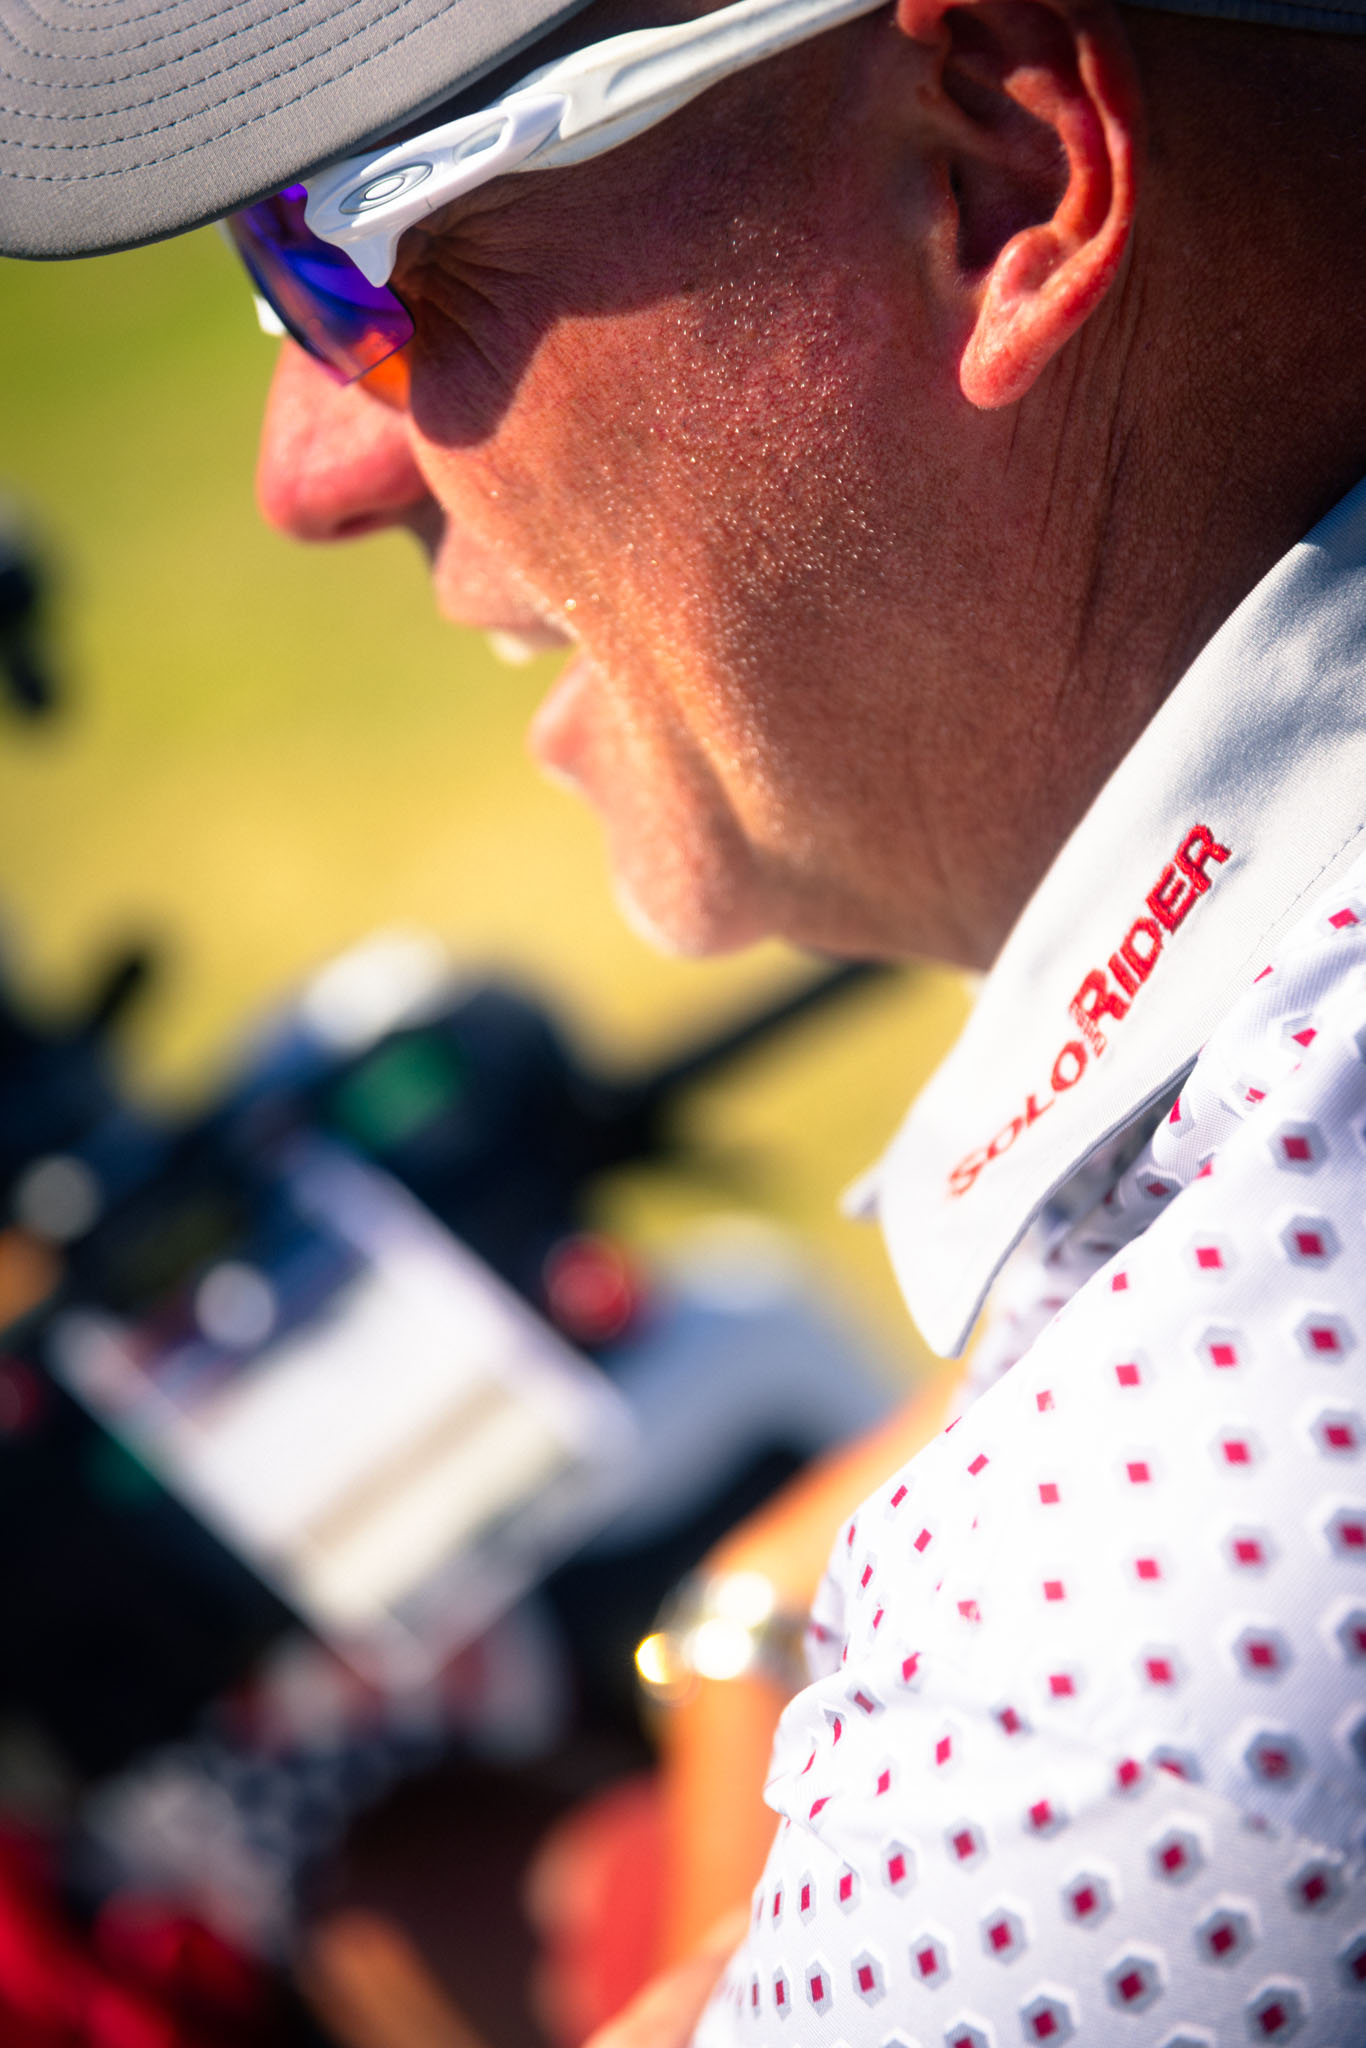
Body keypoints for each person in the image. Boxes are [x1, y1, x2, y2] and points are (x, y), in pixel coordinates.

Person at [7, 0, 1366, 2039]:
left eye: (338, 259)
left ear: (998, 181)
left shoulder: (1128, 1644)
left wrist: (752, 1654)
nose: (309, 473)